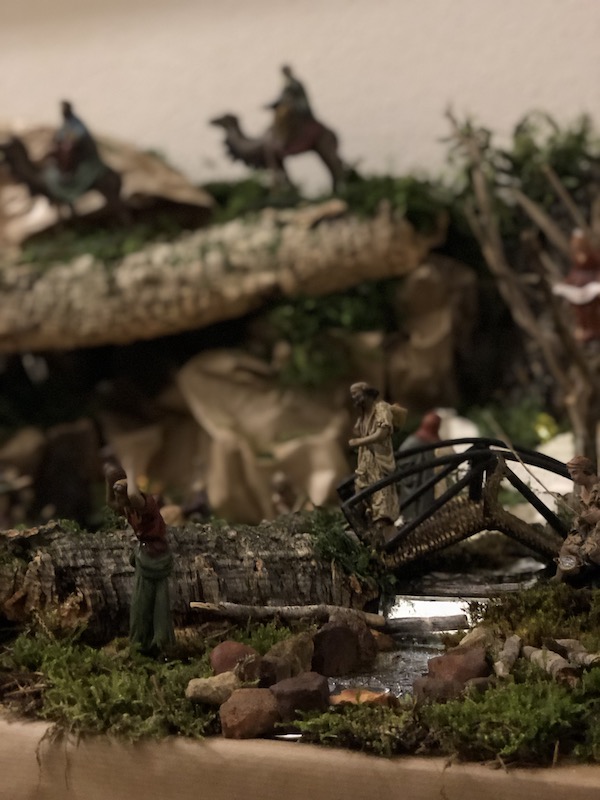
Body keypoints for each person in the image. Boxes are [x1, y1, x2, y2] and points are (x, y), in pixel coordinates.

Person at [104, 461, 175, 654]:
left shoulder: (145, 504)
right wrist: (109, 479)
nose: (119, 499)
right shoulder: (128, 508)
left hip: (156, 555)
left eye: (122, 494)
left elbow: (134, 495)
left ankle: (159, 642)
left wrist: (131, 470)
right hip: (144, 554)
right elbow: (111, 503)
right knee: (141, 604)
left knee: (157, 603)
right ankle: (142, 641)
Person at [348, 382, 400, 545]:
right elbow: (359, 430)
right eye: (352, 396)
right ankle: (368, 536)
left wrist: (359, 441)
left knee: (381, 500)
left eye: (356, 394)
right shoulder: (363, 414)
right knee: (362, 498)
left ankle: (386, 540)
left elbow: (381, 433)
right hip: (365, 464)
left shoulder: (381, 409)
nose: (354, 398)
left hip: (379, 462)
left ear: (366, 392)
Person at [46, 100, 107, 203]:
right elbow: (60, 135)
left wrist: (69, 139)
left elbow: (79, 134)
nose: (63, 112)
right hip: (71, 153)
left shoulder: (76, 122)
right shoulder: (66, 124)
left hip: (82, 153)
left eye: (65, 109)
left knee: (67, 149)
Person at [555, 455, 600, 581]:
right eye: (571, 474)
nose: (572, 477)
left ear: (586, 470)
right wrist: (581, 519)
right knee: (567, 547)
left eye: (575, 473)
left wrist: (596, 516)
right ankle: (561, 577)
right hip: (586, 528)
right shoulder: (582, 491)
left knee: (592, 550)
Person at [397, 411, 443, 522]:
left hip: (425, 481)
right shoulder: (412, 442)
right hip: (414, 483)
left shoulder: (428, 443)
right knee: (413, 508)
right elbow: (402, 460)